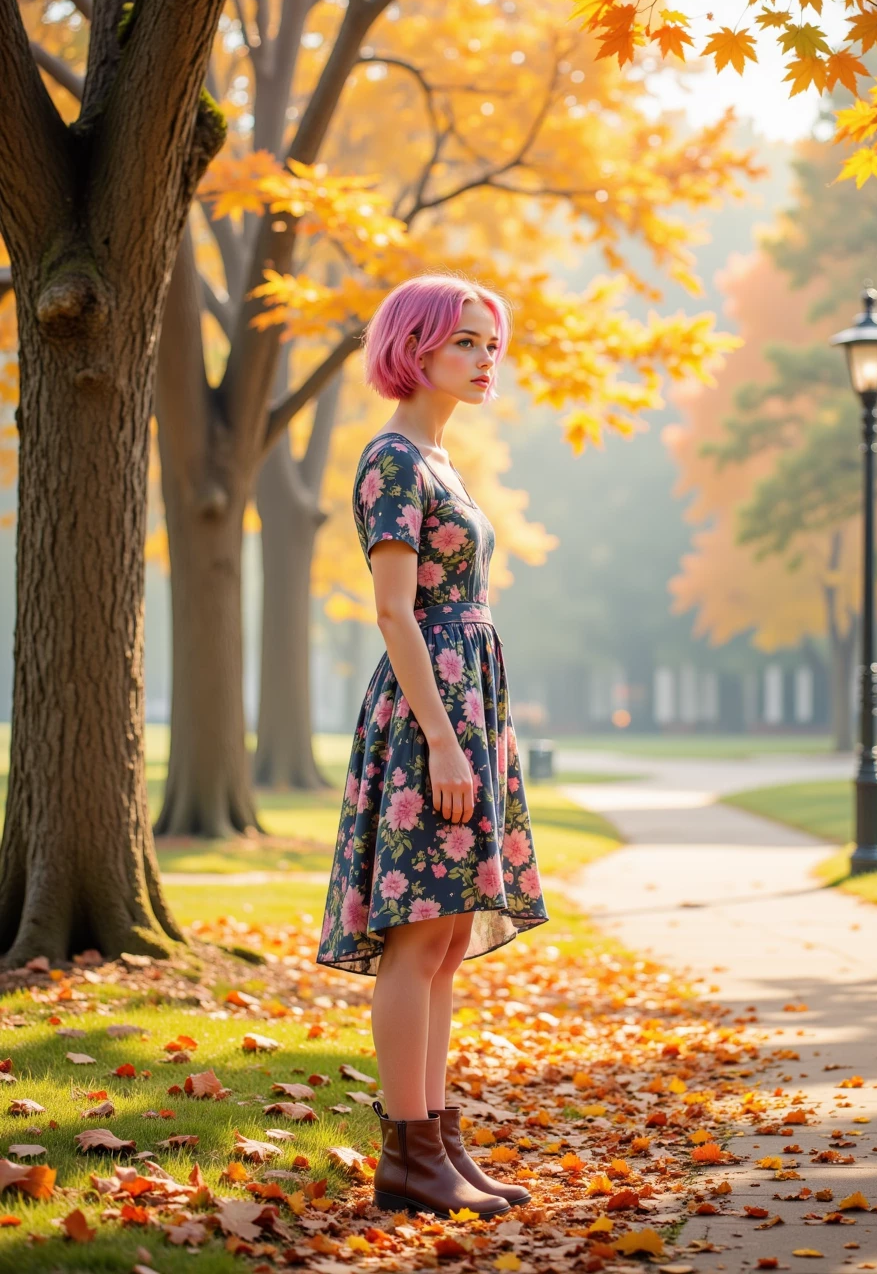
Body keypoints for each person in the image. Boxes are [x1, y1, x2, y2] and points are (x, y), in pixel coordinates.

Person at [318, 273, 548, 1218]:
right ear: (413, 347)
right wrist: (447, 746)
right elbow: (392, 611)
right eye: (465, 342)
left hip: (465, 709)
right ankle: (407, 1153)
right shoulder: (392, 461)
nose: (486, 359)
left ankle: (438, 1142)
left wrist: (478, 734)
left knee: (448, 938)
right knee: (417, 939)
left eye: (491, 344)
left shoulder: (440, 460)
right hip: (430, 722)